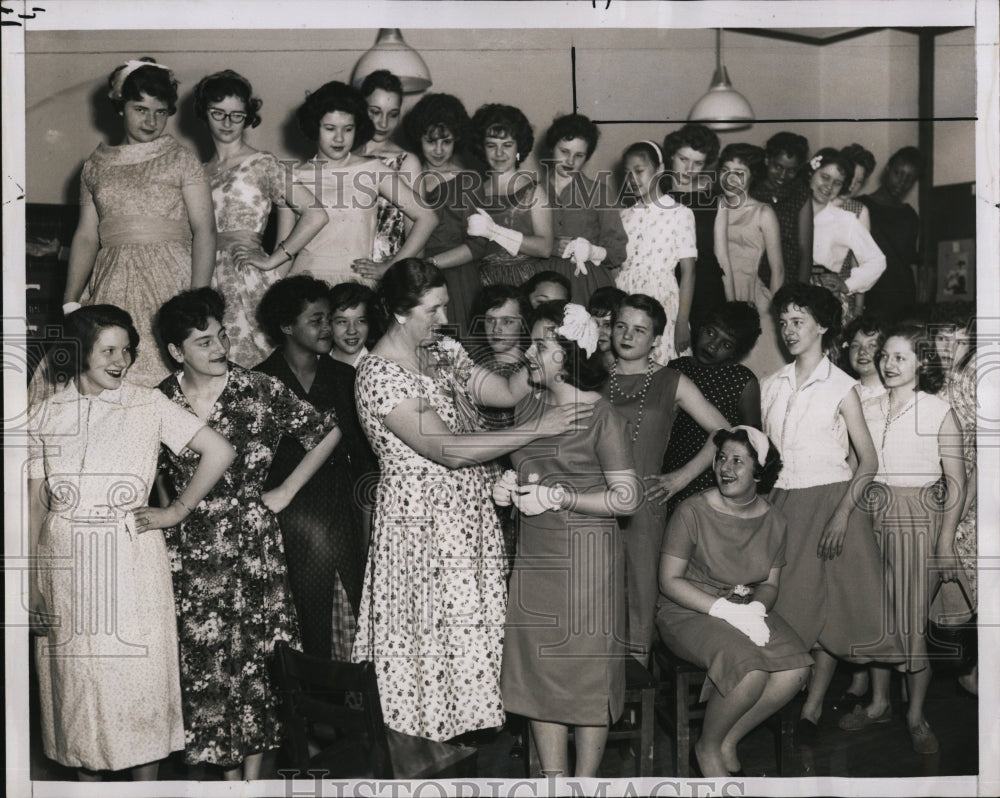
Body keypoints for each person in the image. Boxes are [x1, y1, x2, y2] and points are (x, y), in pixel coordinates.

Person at [351, 259, 594, 742]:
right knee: (428, 647)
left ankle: (468, 751)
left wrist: (542, 348)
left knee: (468, 645)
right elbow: (449, 450)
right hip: (421, 523)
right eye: (434, 308)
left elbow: (503, 392)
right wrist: (539, 426)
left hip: (467, 517)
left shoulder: (442, 350)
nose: (445, 318)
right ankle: (420, 756)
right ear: (400, 312)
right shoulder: (379, 374)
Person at [28, 305, 234, 781]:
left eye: (127, 350)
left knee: (138, 686)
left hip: (131, 558)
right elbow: (35, 504)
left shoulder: (147, 403)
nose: (121, 360)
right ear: (80, 352)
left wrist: (175, 510)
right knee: (79, 690)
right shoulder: (45, 412)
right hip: (66, 564)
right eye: (109, 351)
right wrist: (33, 582)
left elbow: (219, 451)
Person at [155, 288, 343, 779]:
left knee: (259, 666)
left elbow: (327, 431)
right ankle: (226, 780)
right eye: (203, 342)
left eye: (221, 336)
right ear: (177, 352)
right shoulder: (159, 400)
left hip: (252, 542)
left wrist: (285, 490)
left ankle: (255, 783)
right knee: (205, 670)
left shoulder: (259, 389)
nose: (219, 348)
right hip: (189, 551)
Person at [496, 300, 643, 777]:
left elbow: (627, 499)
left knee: (582, 672)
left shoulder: (604, 417)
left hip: (584, 562)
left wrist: (559, 496)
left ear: (568, 354)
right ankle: (554, 783)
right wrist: (505, 486)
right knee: (540, 672)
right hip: (536, 555)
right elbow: (524, 467)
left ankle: (586, 782)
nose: (529, 354)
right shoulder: (528, 404)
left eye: (540, 345)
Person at [761, 283, 901, 741]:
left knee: (830, 612)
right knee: (788, 608)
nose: (788, 331)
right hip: (785, 503)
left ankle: (813, 708)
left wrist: (842, 515)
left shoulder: (843, 387)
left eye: (798, 321)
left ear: (822, 326)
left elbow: (869, 460)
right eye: (783, 322)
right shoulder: (772, 384)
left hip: (833, 502)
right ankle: (785, 696)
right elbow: (767, 456)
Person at [657, 427, 812, 777]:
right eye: (721, 458)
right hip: (689, 610)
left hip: (745, 608)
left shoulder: (775, 519)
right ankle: (707, 747)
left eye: (738, 461)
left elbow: (770, 585)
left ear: (759, 470)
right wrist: (725, 611)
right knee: (750, 672)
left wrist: (756, 609)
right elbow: (668, 582)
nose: (725, 467)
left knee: (795, 669)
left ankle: (729, 737)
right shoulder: (691, 511)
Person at [57, 58, 216, 389]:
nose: (151, 120)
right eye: (140, 109)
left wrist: (197, 300)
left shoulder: (182, 159)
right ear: (120, 107)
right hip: (112, 281)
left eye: (160, 111)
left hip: (172, 282)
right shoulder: (94, 166)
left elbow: (205, 230)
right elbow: (87, 236)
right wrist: (71, 300)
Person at [846, 324, 967, 755]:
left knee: (911, 623)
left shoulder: (936, 411)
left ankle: (915, 715)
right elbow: (853, 466)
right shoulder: (868, 407)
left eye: (900, 357)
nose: (889, 364)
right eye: (886, 356)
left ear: (922, 363)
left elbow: (957, 482)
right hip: (868, 514)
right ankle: (879, 703)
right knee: (877, 615)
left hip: (916, 517)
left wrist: (945, 541)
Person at [603, 294, 728, 664]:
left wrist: (680, 477)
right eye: (621, 326)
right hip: (593, 500)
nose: (627, 335)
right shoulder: (593, 376)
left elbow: (725, 432)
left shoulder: (672, 380)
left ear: (656, 338)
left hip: (645, 503)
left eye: (640, 330)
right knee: (596, 596)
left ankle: (635, 702)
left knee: (641, 599)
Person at [254, 276, 375, 660]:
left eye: (329, 320)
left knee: (355, 609)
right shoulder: (258, 382)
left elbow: (366, 453)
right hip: (289, 512)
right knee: (304, 613)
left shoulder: (347, 378)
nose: (328, 329)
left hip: (346, 507)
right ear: (287, 327)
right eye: (317, 320)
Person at [194, 69, 327, 368]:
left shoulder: (261, 163)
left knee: (259, 366)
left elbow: (315, 214)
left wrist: (274, 260)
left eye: (237, 115)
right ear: (204, 113)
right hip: (203, 274)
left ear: (248, 116)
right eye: (218, 113)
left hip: (245, 278)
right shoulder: (198, 171)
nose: (228, 123)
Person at [282, 81, 436, 288]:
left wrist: (391, 266)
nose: (339, 138)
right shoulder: (293, 176)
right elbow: (283, 251)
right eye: (330, 128)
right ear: (314, 127)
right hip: (303, 288)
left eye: (348, 129)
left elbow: (427, 218)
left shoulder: (373, 169)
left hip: (355, 288)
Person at [431, 104, 553, 289]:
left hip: (525, 283)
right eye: (491, 145)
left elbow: (544, 248)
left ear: (519, 147)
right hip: (480, 285)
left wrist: (495, 231)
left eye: (507, 145)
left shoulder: (534, 191)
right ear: (481, 147)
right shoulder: (472, 190)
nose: (499, 153)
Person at [662, 303, 762, 515]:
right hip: (671, 472)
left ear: (737, 353)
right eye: (710, 333)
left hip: (715, 480)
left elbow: (753, 440)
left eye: (726, 345)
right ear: (699, 328)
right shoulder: (677, 368)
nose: (713, 345)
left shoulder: (742, 381)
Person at [403, 92, 481, 337]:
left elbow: (478, 245)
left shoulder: (468, 180)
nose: (438, 150)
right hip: (416, 277)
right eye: (431, 141)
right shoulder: (406, 177)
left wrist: (431, 265)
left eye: (446, 141)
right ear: (419, 138)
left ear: (456, 139)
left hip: (458, 278)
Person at [616, 140, 696, 365]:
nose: (632, 179)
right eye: (627, 173)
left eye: (639, 171)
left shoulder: (680, 214)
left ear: (659, 170)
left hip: (662, 302)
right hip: (626, 299)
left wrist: (682, 322)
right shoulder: (623, 216)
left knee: (660, 368)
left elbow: (688, 272)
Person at [713, 143, 787, 379]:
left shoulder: (762, 212)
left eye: (740, 173)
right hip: (716, 292)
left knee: (758, 374)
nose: (730, 179)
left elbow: (778, 270)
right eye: (725, 170)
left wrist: (777, 318)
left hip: (752, 300)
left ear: (752, 177)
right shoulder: (711, 206)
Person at [936, 314, 979, 697]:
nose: (947, 347)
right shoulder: (936, 382)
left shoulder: (974, 382)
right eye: (942, 338)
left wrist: (966, 506)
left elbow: (982, 456)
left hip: (969, 500)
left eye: (958, 340)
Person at [542, 113, 627, 302]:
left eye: (579, 155)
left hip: (587, 283)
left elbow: (618, 251)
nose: (570, 161)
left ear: (587, 157)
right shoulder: (531, 191)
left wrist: (591, 251)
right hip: (542, 281)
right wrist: (550, 246)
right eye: (564, 151)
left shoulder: (600, 193)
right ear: (551, 148)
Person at [803, 148, 886, 326]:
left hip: (821, 300)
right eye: (825, 177)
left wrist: (847, 284)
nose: (829, 187)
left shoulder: (845, 220)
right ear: (811, 172)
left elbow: (877, 260)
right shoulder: (790, 209)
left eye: (838, 183)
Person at [661, 123, 726, 325]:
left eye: (698, 163)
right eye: (684, 159)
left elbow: (722, 256)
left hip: (706, 285)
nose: (689, 169)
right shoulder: (655, 195)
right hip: (665, 282)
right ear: (671, 155)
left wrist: (731, 304)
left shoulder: (715, 200)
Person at [358, 70, 421, 263]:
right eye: (375, 112)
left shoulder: (406, 161)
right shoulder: (342, 155)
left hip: (387, 273)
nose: (383, 123)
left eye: (392, 114)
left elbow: (417, 237)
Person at [859, 146, 923, 323]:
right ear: (887, 169)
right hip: (870, 297)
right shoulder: (861, 206)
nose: (902, 182)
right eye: (898, 173)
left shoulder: (910, 215)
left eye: (909, 178)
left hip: (903, 300)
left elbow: (911, 262)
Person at [749, 132, 812, 287]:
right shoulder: (751, 192)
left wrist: (801, 290)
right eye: (778, 167)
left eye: (791, 170)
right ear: (767, 160)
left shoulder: (801, 195)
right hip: (752, 278)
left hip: (788, 279)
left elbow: (805, 250)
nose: (783, 175)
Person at [328, 281, 379, 368]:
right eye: (342, 322)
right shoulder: (314, 363)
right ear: (329, 323)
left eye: (361, 321)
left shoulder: (377, 367)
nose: (352, 331)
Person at [587, 285, 627, 371]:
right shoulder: (584, 365)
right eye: (594, 324)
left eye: (607, 325)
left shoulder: (633, 368)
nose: (599, 332)